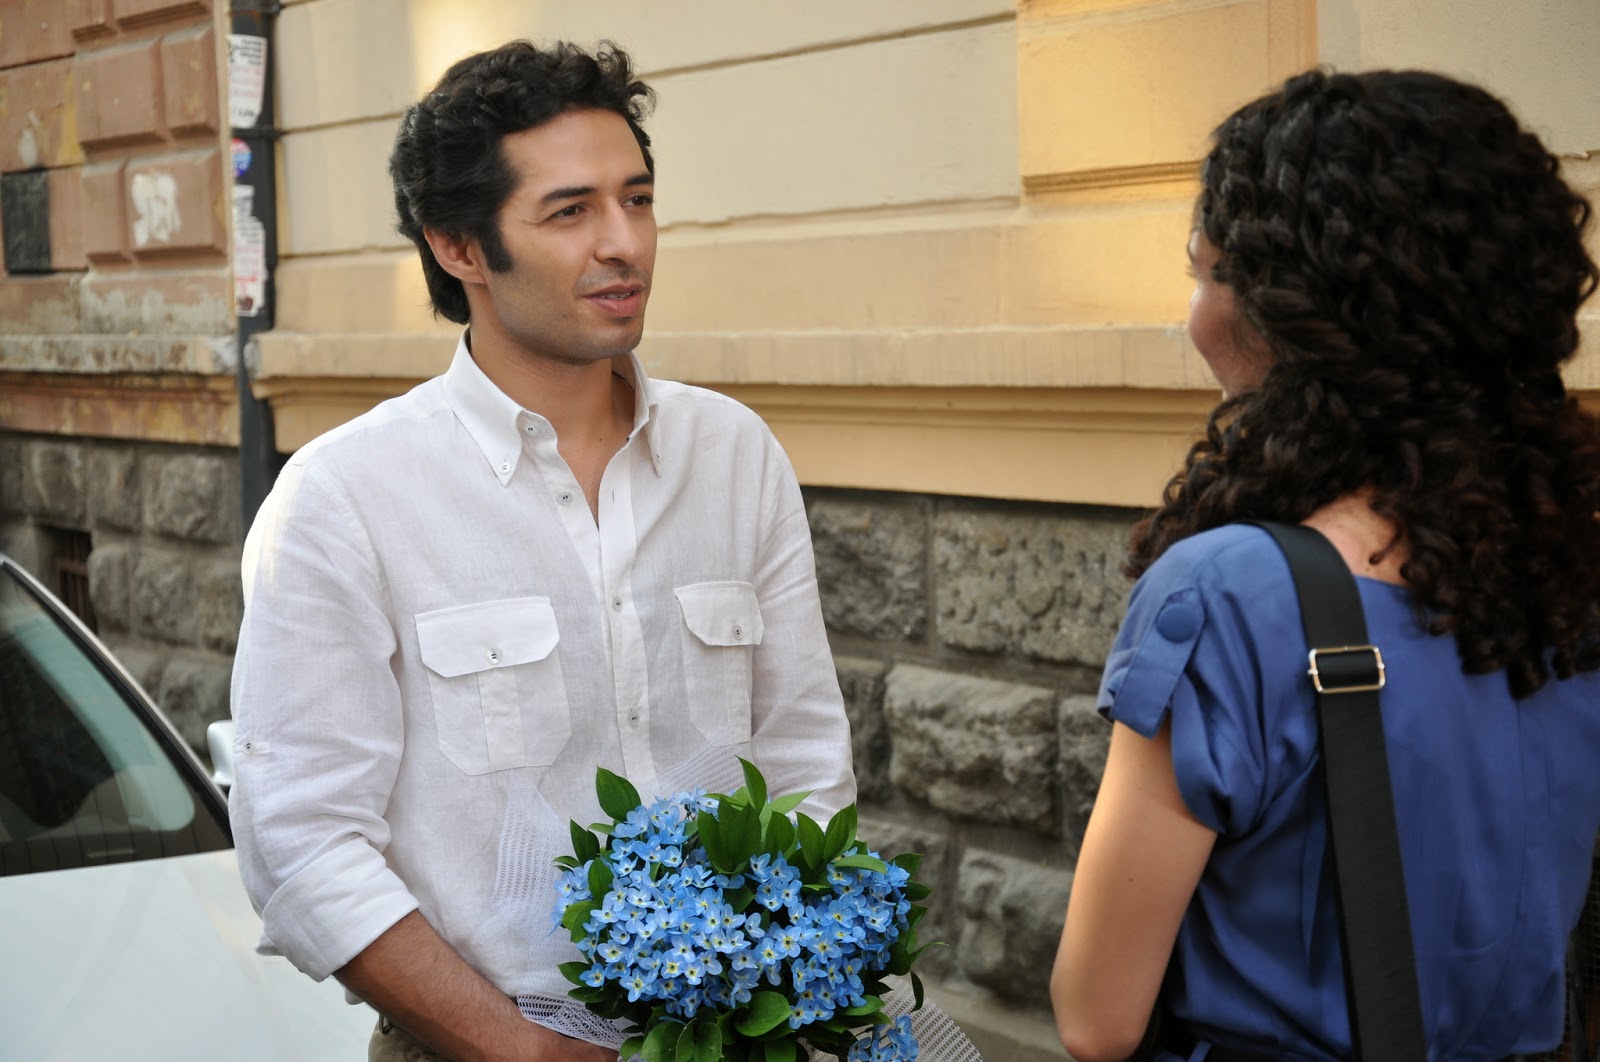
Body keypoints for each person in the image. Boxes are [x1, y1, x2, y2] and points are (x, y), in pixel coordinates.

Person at [228, 40, 855, 1062]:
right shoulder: (346, 497)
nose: (624, 243)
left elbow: (804, 764)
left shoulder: (734, 454)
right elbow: (301, 843)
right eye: (569, 212)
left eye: (637, 199)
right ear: (459, 247)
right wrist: (527, 1052)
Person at [1050, 68, 1600, 1062]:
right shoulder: (1566, 577)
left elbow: (1097, 1019)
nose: (1194, 317)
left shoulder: (1227, 595)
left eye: (1208, 274)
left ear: (1293, 311)